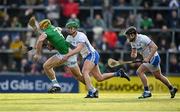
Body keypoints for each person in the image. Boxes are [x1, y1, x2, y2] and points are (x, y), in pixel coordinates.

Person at [63, 21, 130, 98]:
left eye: (70, 28)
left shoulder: (81, 36)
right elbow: (64, 47)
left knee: (85, 72)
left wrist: (67, 56)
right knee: (99, 78)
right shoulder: (69, 37)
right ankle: (118, 73)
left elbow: (78, 49)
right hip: (86, 57)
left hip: (92, 54)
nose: (68, 30)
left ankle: (91, 91)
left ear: (74, 28)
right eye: (67, 28)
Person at [33, 19, 85, 93]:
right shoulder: (54, 28)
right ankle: (92, 88)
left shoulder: (47, 32)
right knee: (78, 76)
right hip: (67, 52)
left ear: (44, 27)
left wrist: (37, 53)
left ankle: (56, 85)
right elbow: (56, 40)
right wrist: (50, 45)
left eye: (42, 27)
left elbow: (40, 40)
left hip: (66, 54)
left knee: (46, 66)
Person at [124, 26, 178, 99]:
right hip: (149, 59)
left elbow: (155, 47)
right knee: (158, 76)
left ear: (132, 35)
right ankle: (172, 88)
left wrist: (148, 58)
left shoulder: (143, 38)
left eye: (128, 36)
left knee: (139, 72)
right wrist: (133, 55)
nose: (128, 38)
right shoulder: (132, 42)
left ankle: (147, 92)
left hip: (154, 58)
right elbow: (134, 52)